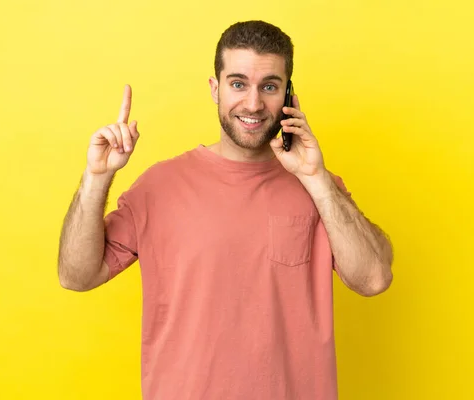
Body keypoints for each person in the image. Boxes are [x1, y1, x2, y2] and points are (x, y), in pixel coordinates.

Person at [58, 20, 393, 400]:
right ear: (215, 89)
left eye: (269, 86)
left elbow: (374, 279)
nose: (253, 103)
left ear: (288, 94)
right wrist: (96, 176)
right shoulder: (159, 187)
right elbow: (76, 275)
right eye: (238, 84)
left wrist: (316, 178)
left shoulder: (319, 189)